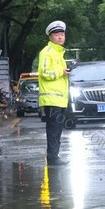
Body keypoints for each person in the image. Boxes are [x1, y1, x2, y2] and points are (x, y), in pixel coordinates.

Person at [37, 20, 70, 166]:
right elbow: (44, 72)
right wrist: (60, 72)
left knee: (58, 130)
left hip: (60, 99)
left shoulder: (59, 54)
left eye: (62, 34)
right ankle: (52, 157)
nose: (60, 37)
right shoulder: (47, 52)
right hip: (51, 99)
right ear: (50, 37)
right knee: (53, 130)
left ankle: (54, 155)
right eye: (57, 34)